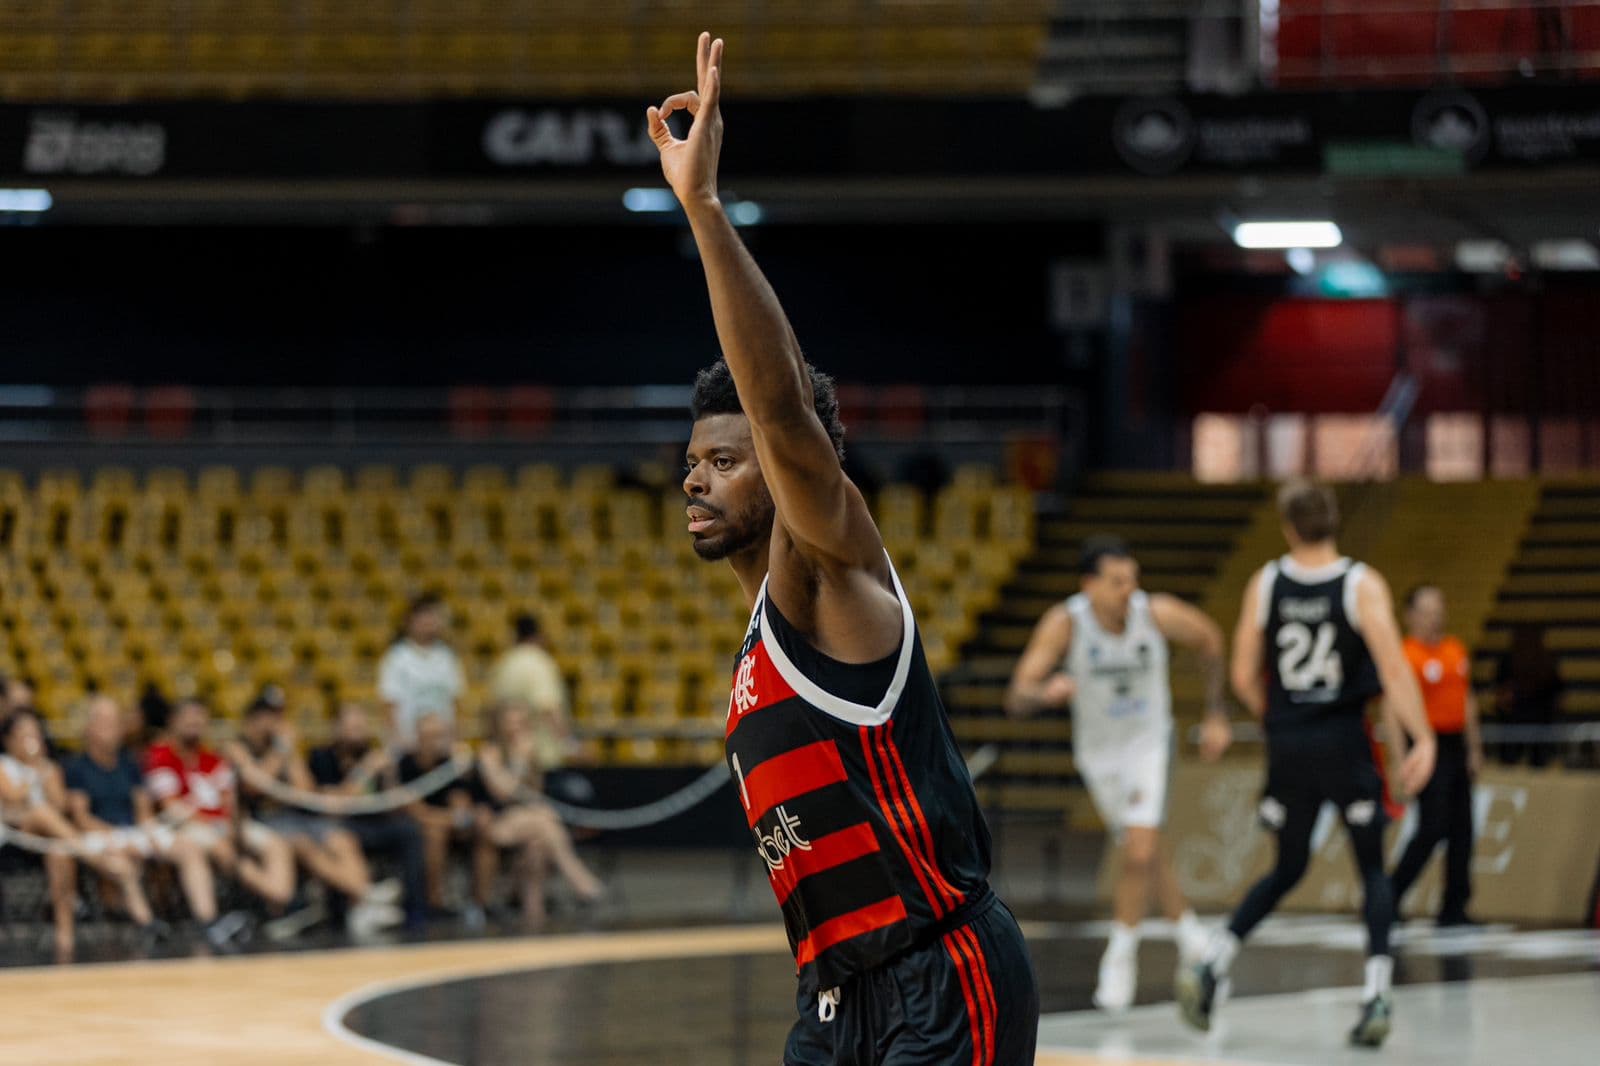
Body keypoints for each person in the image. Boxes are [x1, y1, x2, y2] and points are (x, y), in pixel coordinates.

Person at [650, 33, 1037, 1065]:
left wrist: (703, 211)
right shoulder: (754, 640)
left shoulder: (828, 574)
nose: (693, 476)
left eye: (724, 460)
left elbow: (779, 408)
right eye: (691, 459)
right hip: (833, 1002)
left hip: (939, 979)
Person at [1178, 479, 1436, 1048]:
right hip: (1345, 742)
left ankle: (1212, 961)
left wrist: (1281, 718)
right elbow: (1394, 670)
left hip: (1290, 747)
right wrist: (1422, 740)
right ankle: (1375, 994)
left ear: (1288, 526)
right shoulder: (1360, 583)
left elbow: (1245, 673)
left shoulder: (1267, 582)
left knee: (1288, 867)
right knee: (1372, 869)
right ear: (1334, 519)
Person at [1005, 534, 1232, 1011]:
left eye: (1132, 579)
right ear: (1089, 586)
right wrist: (1045, 692)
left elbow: (1211, 639)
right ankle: (1194, 939)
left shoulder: (1157, 613)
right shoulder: (1066, 623)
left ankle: (1120, 956)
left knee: (1139, 849)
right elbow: (1017, 694)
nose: (1128, 589)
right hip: (1098, 755)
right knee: (1142, 851)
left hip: (1149, 744)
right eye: (1116, 582)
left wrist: (1216, 713)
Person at [228, 698, 404, 938]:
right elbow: (254, 787)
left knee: (341, 838)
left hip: (294, 816)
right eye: (268, 717)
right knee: (303, 844)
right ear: (253, 720)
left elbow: (304, 791)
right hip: (261, 820)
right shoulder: (238, 747)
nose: (274, 723)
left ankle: (363, 906)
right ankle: (367, 893)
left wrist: (289, 754)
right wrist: (279, 751)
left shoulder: (285, 748)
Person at [64, 695, 231, 947]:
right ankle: (147, 924)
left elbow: (143, 809)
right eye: (104, 722)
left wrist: (148, 833)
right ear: (89, 728)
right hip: (101, 834)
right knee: (122, 865)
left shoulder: (129, 765)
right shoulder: (77, 767)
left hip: (134, 831)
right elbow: (82, 818)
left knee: (189, 848)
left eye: (114, 722)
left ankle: (207, 921)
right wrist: (118, 838)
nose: (112, 729)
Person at [0, 708, 158, 956]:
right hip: (15, 837)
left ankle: (65, 938)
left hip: (50, 840)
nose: (31, 741)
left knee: (60, 855)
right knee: (41, 813)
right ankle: (91, 854)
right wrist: (33, 772)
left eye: (35, 735)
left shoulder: (49, 767)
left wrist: (43, 771)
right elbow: (13, 799)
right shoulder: (4, 765)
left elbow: (61, 805)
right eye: (23, 735)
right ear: (9, 740)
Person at [144, 697, 296, 916]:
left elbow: (229, 800)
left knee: (276, 843)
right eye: (188, 718)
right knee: (221, 848)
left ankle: (276, 912)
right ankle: (277, 896)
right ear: (173, 721)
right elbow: (170, 806)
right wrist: (216, 827)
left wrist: (235, 825)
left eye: (199, 719)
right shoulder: (161, 756)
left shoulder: (213, 758)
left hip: (222, 823)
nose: (194, 723)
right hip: (186, 826)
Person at [1389, 585, 1482, 927]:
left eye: (1438, 609)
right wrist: (1400, 758)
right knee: (1432, 827)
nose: (1435, 617)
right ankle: (1392, 894)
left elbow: (1467, 699)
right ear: (1410, 615)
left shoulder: (1454, 650)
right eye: (1426, 610)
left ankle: (1455, 907)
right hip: (1426, 744)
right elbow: (1392, 708)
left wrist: (1474, 747)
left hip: (1456, 744)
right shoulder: (1406, 654)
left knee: (1463, 829)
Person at [475, 701, 604, 928]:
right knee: (545, 818)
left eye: (520, 723)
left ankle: (534, 912)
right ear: (500, 725)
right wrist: (519, 762)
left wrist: (529, 762)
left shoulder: (529, 751)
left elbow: (534, 794)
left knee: (537, 843)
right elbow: (503, 794)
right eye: (511, 722)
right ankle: (580, 880)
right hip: (496, 823)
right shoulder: (490, 753)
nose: (516, 728)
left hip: (528, 822)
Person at [309, 702, 429, 931]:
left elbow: (393, 802)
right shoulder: (322, 757)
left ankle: (415, 910)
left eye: (361, 726)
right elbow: (332, 803)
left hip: (378, 822)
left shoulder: (374, 754)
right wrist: (365, 771)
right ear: (337, 728)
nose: (358, 731)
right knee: (340, 838)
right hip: (343, 824)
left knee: (410, 832)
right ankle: (361, 903)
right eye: (352, 726)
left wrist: (390, 775)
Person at [398, 712, 486, 919]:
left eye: (440, 736)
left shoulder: (451, 765)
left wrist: (456, 819)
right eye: (430, 736)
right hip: (416, 827)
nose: (435, 742)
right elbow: (416, 812)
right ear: (418, 737)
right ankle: (433, 902)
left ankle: (480, 904)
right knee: (434, 833)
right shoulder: (406, 765)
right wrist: (448, 819)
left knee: (484, 827)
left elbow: (461, 809)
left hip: (449, 826)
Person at [488, 613, 574, 772]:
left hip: (509, 755)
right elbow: (549, 708)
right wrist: (570, 745)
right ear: (539, 636)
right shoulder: (539, 661)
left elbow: (493, 711)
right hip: (540, 756)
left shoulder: (504, 663)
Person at [379, 594, 465, 749]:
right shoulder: (396, 658)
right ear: (409, 622)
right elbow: (389, 703)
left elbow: (456, 701)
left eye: (432, 617)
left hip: (441, 744)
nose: (428, 622)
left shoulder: (447, 657)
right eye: (422, 617)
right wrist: (399, 741)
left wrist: (454, 738)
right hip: (409, 744)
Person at [1495, 623, 1562, 768]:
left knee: (1536, 759)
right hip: (1516, 716)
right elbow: (1500, 690)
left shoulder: (1546, 660)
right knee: (1512, 758)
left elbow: (1557, 689)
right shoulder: (1509, 660)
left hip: (1538, 717)